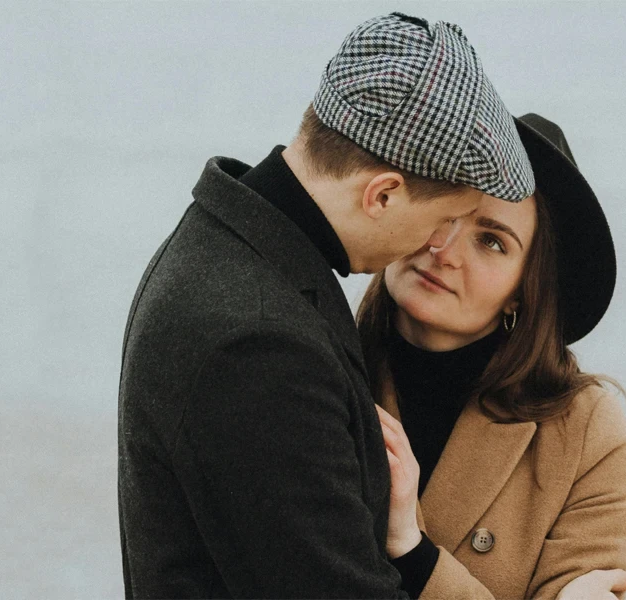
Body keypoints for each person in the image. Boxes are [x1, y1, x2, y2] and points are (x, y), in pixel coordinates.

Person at [116, 13, 539, 598]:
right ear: (383, 193)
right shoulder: (259, 342)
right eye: (443, 220)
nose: (435, 246)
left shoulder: (233, 249)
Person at [356, 114, 626, 599]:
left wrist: (411, 548)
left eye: (491, 241)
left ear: (522, 292)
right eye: (444, 211)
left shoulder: (586, 434)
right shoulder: (311, 365)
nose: (444, 249)